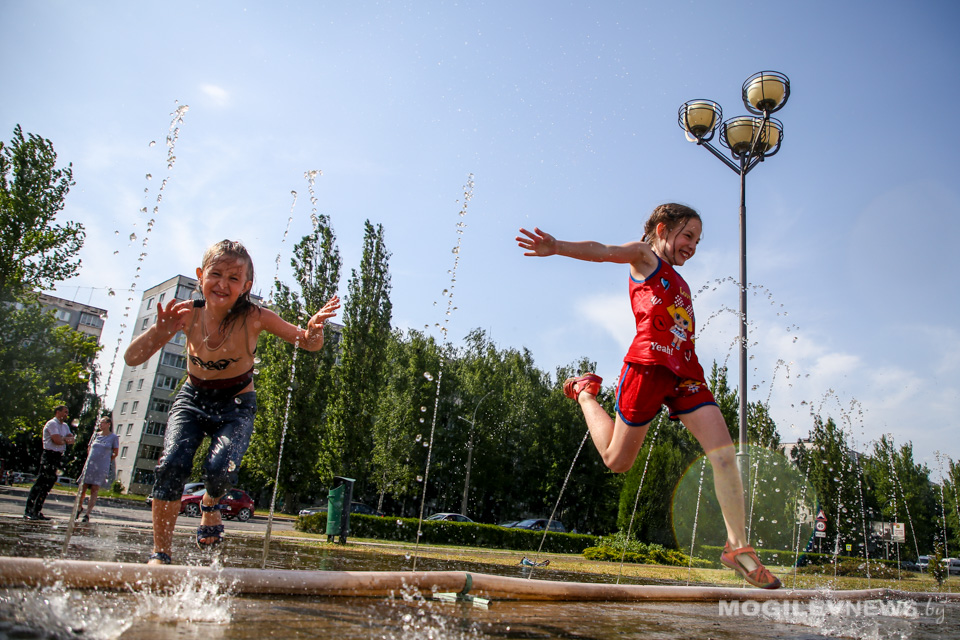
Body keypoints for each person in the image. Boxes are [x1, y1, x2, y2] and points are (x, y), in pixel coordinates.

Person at [516, 203, 781, 589]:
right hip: (648, 366)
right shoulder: (643, 256)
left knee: (725, 454)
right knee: (616, 460)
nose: (692, 246)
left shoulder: (680, 279)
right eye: (687, 236)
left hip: (685, 371)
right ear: (662, 229)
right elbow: (601, 250)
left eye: (698, 240)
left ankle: (737, 548)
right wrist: (557, 246)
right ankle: (587, 393)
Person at [124, 239, 340, 565]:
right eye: (216, 274)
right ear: (200, 276)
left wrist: (314, 329)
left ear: (246, 286)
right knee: (171, 465)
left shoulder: (255, 316)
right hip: (193, 398)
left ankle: (210, 504)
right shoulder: (185, 315)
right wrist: (159, 331)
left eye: (233, 278)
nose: (223, 284)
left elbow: (308, 343)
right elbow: (133, 357)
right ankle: (160, 554)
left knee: (220, 468)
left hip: (236, 404)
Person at [23, 405, 76, 520]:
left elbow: (72, 440)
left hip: (58, 456)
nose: (67, 414)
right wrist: (65, 440)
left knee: (48, 485)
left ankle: (37, 510)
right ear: (58, 412)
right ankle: (29, 510)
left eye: (67, 412)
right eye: (65, 412)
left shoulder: (65, 426)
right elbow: (56, 440)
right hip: (49, 455)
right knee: (40, 482)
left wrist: (64, 440)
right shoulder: (52, 424)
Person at [76, 415, 120, 522]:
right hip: (90, 464)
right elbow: (90, 447)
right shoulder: (96, 435)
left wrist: (106, 460)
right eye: (100, 423)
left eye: (103, 423)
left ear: (108, 424)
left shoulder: (113, 437)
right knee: (83, 487)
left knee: (94, 489)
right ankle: (79, 507)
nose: (100, 424)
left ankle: (87, 513)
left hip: (101, 466)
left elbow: (115, 452)